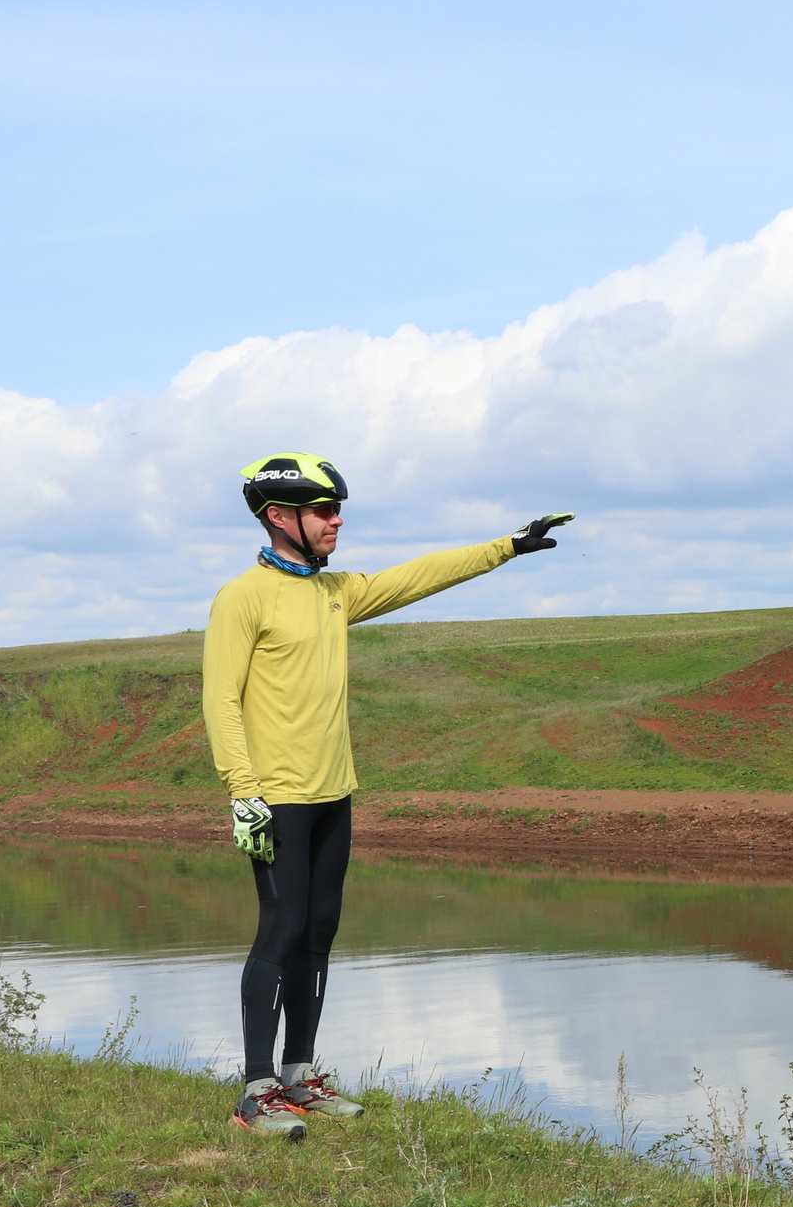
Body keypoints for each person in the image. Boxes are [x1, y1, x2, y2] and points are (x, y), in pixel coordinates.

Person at [203, 453, 573, 1140]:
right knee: (279, 932)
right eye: (324, 510)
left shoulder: (334, 591)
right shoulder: (242, 596)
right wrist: (242, 793)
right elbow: (221, 699)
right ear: (280, 517)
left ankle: (299, 1076)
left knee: (319, 931)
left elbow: (414, 578)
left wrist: (508, 548)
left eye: (338, 508)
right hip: (275, 797)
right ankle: (255, 1092)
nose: (337, 520)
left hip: (334, 792)